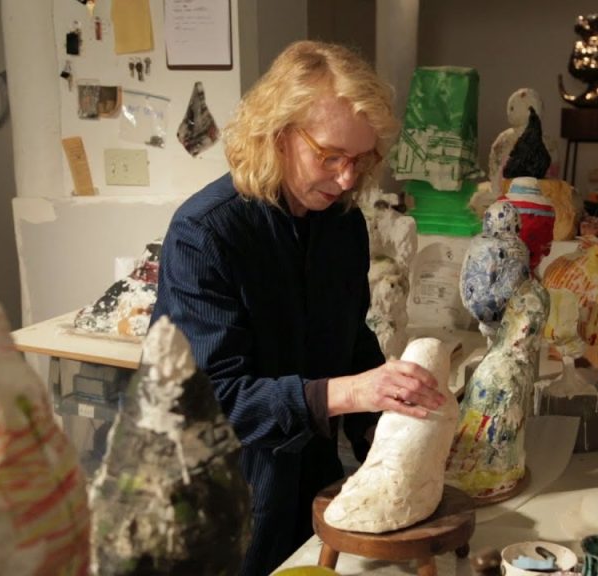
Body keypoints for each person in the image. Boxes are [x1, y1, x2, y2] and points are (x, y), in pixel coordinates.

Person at [151, 40, 446, 575]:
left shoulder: (341, 226)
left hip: (310, 484)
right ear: (278, 134)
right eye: (329, 156)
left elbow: (351, 342)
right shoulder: (206, 234)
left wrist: (389, 427)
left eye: (360, 159)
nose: (347, 178)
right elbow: (210, 401)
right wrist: (350, 392)